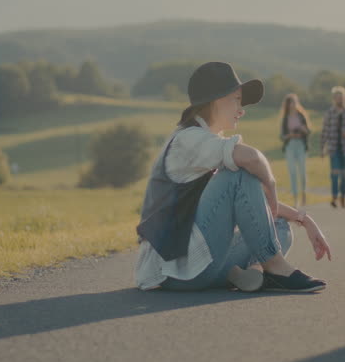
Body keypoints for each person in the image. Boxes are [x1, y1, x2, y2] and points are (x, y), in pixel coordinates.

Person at [135, 62, 333, 293]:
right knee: (238, 173)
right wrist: (269, 183)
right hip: (174, 269)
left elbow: (253, 203)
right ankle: (274, 268)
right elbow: (251, 158)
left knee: (279, 226)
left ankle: (251, 274)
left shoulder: (207, 142)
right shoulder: (187, 139)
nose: (242, 109)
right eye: (237, 99)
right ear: (216, 100)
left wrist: (303, 218)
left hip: (203, 264)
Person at [319, 85, 345, 208]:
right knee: (334, 173)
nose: (340, 100)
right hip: (333, 148)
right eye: (337, 97)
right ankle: (334, 197)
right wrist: (322, 148)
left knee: (344, 174)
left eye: (341, 97)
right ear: (334, 99)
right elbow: (324, 131)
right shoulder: (329, 113)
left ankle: (343, 196)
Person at [279, 93, 312, 209]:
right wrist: (290, 135)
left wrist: (303, 129)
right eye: (290, 102)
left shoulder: (301, 116)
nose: (293, 104)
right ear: (287, 105)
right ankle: (295, 198)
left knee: (302, 171)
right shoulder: (285, 118)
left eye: (294, 102)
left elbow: (308, 131)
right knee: (292, 172)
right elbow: (282, 136)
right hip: (290, 146)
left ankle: (303, 193)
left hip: (301, 145)